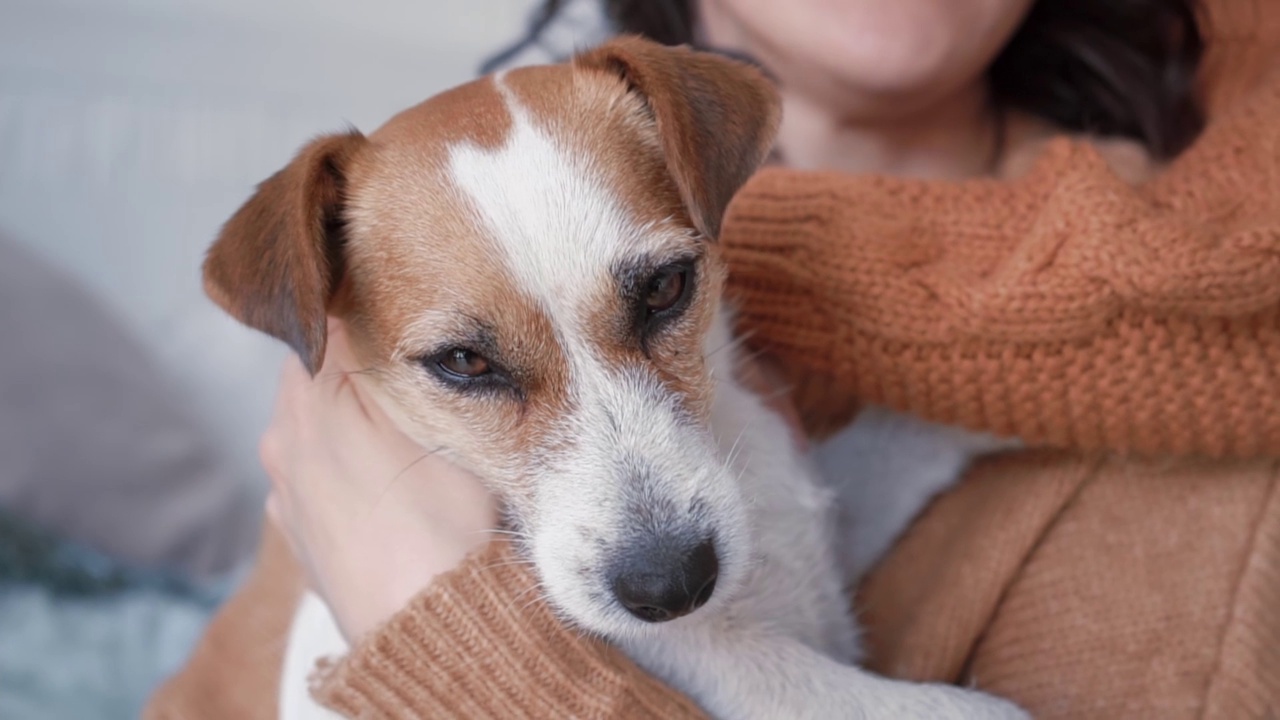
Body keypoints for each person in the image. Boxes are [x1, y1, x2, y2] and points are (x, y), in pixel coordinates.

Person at [148, 0, 1280, 717]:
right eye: (473, 367)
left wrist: (438, 639)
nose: (648, 517)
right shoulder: (344, 420)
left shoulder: (1194, 394)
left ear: (713, 189)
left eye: (657, 295)